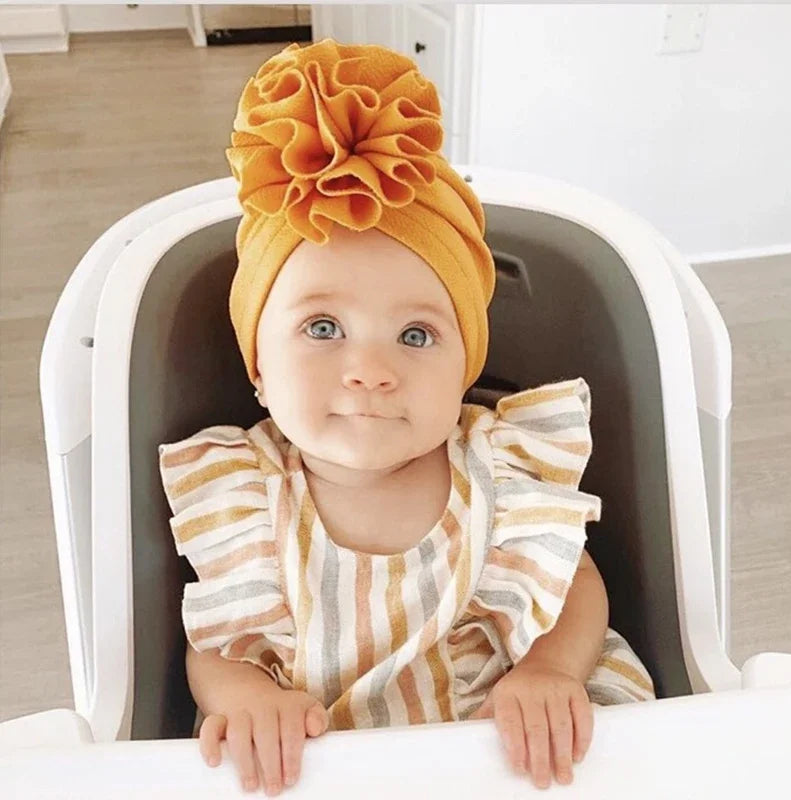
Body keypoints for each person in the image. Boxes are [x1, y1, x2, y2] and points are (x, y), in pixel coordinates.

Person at [158, 38, 654, 797]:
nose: (371, 369)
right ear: (258, 369)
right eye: (323, 329)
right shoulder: (246, 494)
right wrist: (250, 701)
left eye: (416, 336)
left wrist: (552, 670)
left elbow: (572, 582)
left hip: (503, 748)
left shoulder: (500, 467)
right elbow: (219, 643)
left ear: (463, 372)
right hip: (327, 762)